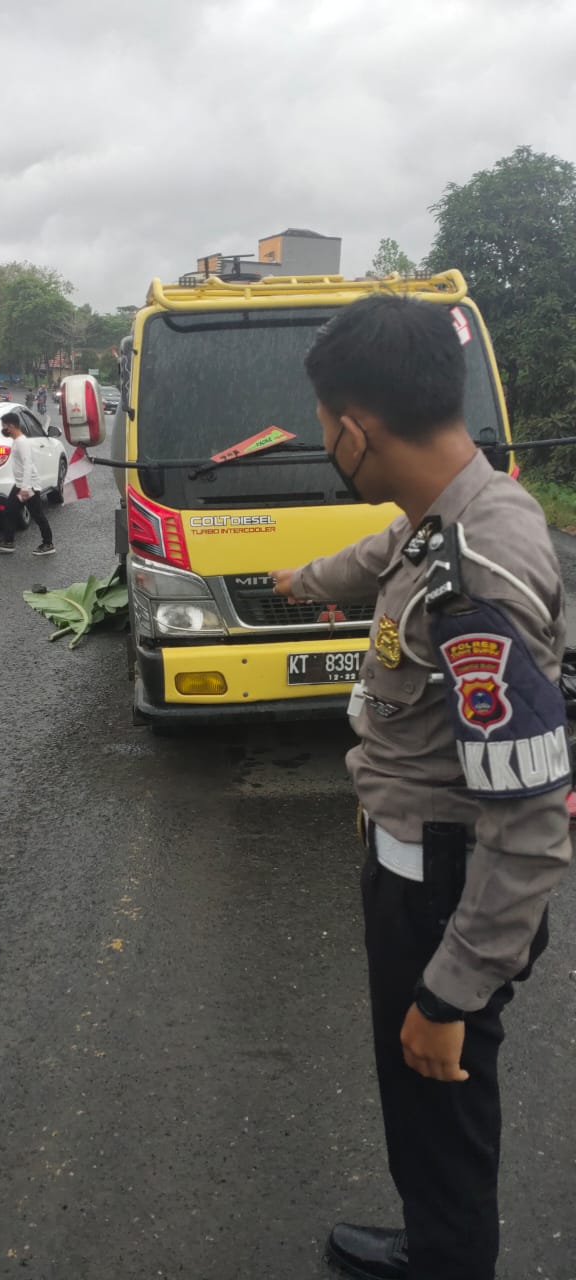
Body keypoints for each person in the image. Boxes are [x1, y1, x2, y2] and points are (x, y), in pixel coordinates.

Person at [271, 294, 572, 1280]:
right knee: (419, 1097)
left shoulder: (479, 568)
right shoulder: (452, 505)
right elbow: (384, 555)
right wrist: (303, 579)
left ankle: (449, 1259)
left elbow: (529, 820)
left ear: (354, 429)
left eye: (324, 428)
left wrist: (452, 985)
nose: (326, 444)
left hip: (446, 887)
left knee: (439, 1084)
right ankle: (436, 1240)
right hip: (414, 864)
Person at [0, 412, 56, 556]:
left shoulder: (22, 442)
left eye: (4, 426)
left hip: (29, 486)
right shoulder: (17, 440)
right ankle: (8, 542)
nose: (3, 429)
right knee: (9, 511)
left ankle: (48, 544)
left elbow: (27, 464)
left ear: (11, 426)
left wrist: (25, 488)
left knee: (37, 515)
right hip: (21, 484)